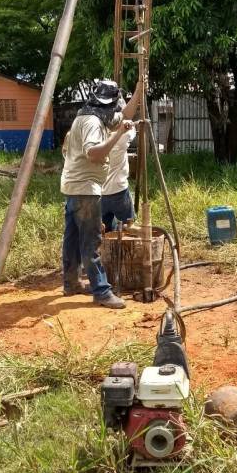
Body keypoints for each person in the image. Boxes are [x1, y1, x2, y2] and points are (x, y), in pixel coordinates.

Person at [60, 79, 142, 309]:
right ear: (108, 104)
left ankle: (71, 282)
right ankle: (102, 291)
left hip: (74, 186)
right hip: (85, 189)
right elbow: (94, 153)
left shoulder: (92, 115)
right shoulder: (93, 123)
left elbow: (124, 114)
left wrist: (137, 91)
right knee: (91, 242)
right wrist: (116, 136)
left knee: (73, 239)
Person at [101, 118, 136, 233]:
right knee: (129, 227)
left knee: (104, 231)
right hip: (119, 191)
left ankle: (107, 250)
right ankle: (125, 248)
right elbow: (132, 131)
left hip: (101, 193)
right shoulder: (122, 138)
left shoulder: (99, 139)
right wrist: (128, 124)